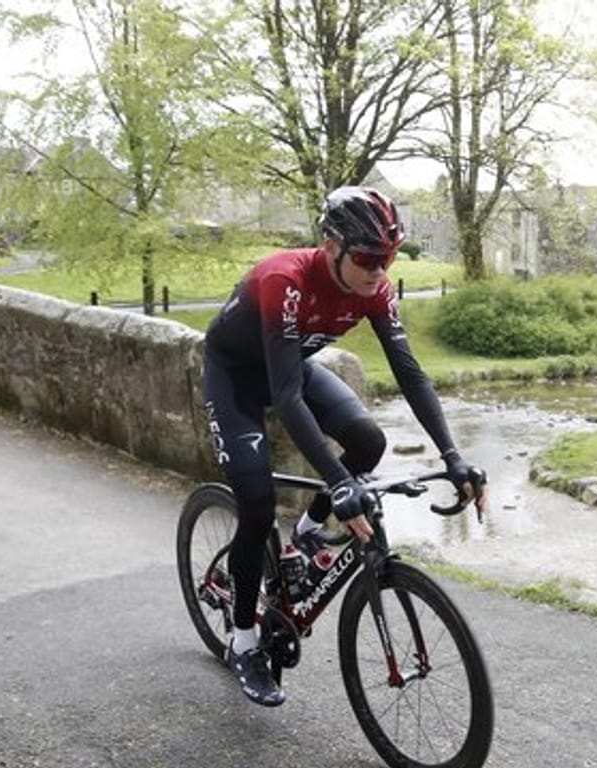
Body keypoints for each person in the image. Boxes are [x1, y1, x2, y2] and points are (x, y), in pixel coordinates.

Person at [201, 185, 487, 706]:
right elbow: (287, 398)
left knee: (368, 442)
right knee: (258, 505)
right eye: (368, 258)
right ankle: (243, 642)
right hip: (237, 379)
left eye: (389, 257)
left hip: (289, 367)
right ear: (329, 245)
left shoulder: (375, 289)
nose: (380, 270)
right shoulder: (283, 280)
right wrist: (338, 484)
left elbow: (411, 375)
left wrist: (453, 458)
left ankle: (306, 535)